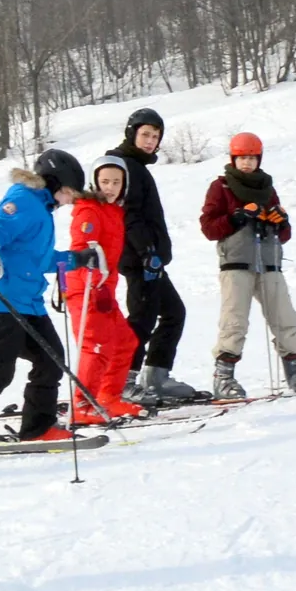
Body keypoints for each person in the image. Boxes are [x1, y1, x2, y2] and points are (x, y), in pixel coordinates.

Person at [0, 150, 95, 444]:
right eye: (68, 192)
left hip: (29, 304)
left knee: (51, 361)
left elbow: (39, 260)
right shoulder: (24, 199)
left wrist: (75, 259)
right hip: (1, 298)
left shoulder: (43, 211)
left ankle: (39, 428)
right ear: (54, 182)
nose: (69, 200)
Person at [198, 133, 296, 398]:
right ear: (233, 159)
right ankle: (223, 377)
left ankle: (295, 370)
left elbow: (284, 235)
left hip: (269, 263)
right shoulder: (221, 187)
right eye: (242, 158)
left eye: (252, 158)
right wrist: (236, 218)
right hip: (236, 263)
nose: (247, 163)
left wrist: (281, 222)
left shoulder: (267, 189)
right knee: (234, 321)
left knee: (285, 317)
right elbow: (208, 228)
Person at [106, 108, 209, 406]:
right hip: (138, 258)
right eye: (145, 135)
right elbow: (129, 214)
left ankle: (156, 377)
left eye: (155, 136)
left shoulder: (136, 166)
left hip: (148, 259)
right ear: (131, 134)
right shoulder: (124, 165)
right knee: (142, 318)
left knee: (173, 312)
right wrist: (147, 252)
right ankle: (123, 380)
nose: (150, 141)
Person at [63, 156, 145, 426]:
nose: (110, 187)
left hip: (104, 290)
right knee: (95, 346)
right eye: (105, 181)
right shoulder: (89, 211)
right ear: (95, 182)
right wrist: (94, 284)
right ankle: (82, 404)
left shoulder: (114, 212)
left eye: (116, 182)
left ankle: (107, 397)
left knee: (124, 343)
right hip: (86, 289)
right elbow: (82, 252)